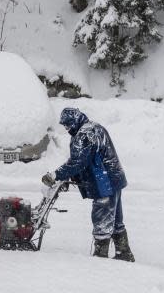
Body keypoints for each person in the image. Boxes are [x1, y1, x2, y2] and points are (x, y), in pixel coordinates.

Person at [41, 107, 134, 261]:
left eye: (68, 125)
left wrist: (56, 175)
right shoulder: (94, 127)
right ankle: (123, 253)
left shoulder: (84, 135)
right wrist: (73, 178)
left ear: (75, 121)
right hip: (113, 179)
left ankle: (100, 257)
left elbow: (78, 162)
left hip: (103, 184)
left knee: (102, 220)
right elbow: (89, 158)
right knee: (116, 220)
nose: (67, 128)